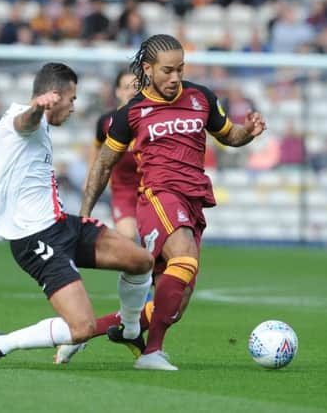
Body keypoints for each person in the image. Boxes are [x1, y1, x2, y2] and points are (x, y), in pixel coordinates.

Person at [0, 63, 153, 369]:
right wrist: (37, 109)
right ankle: (1, 343)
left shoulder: (6, 126)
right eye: (72, 99)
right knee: (82, 329)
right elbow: (26, 122)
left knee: (141, 261)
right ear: (53, 96)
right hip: (34, 238)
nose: (74, 107)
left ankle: (130, 330)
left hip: (61, 224)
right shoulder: (24, 121)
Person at [79, 34, 267, 370]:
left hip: (194, 200)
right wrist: (84, 214)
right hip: (158, 197)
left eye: (180, 69)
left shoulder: (201, 98)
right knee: (184, 258)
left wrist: (247, 132)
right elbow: (104, 163)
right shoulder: (132, 112)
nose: (175, 77)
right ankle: (151, 354)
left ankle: (84, 333)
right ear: (148, 69)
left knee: (177, 300)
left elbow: (228, 135)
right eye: (168, 70)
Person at [86, 69, 139, 240]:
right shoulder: (106, 122)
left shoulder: (152, 120)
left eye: (137, 87)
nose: (132, 92)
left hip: (152, 189)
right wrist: (90, 176)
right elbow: (96, 147)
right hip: (123, 191)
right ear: (117, 91)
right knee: (128, 236)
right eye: (126, 87)